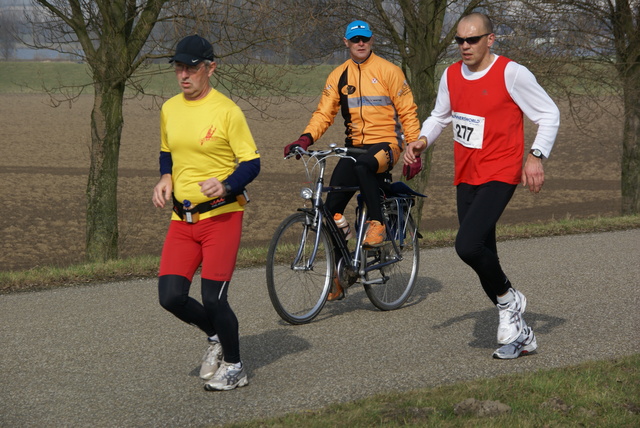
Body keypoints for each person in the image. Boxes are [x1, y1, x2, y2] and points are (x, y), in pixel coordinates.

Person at [403, 12, 560, 359]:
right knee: (484, 254)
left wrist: (535, 156)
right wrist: (422, 141)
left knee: (467, 246)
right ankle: (522, 337)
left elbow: (548, 114)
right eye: (459, 40)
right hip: (466, 175)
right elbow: (440, 116)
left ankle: (509, 300)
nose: (464, 46)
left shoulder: (511, 73)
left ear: (490, 39)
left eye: (472, 40)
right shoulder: (451, 75)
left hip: (501, 172)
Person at [152, 35, 260, 390]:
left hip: (222, 217)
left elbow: (251, 163)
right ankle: (215, 336)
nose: (184, 75)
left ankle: (235, 366)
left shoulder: (227, 111)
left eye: (191, 68)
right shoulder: (170, 108)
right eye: (179, 68)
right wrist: (165, 176)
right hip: (182, 220)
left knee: (214, 298)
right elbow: (168, 150)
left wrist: (227, 185)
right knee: (170, 297)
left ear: (210, 68)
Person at [284, 20, 421, 300]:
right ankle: (340, 273)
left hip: (386, 146)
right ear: (346, 43)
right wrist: (305, 139)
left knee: (363, 167)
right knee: (329, 211)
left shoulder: (389, 71)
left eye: (365, 39)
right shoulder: (338, 75)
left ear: (371, 41)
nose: (361, 43)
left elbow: (407, 112)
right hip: (353, 148)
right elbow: (324, 113)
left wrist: (414, 149)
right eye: (355, 39)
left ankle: (377, 224)